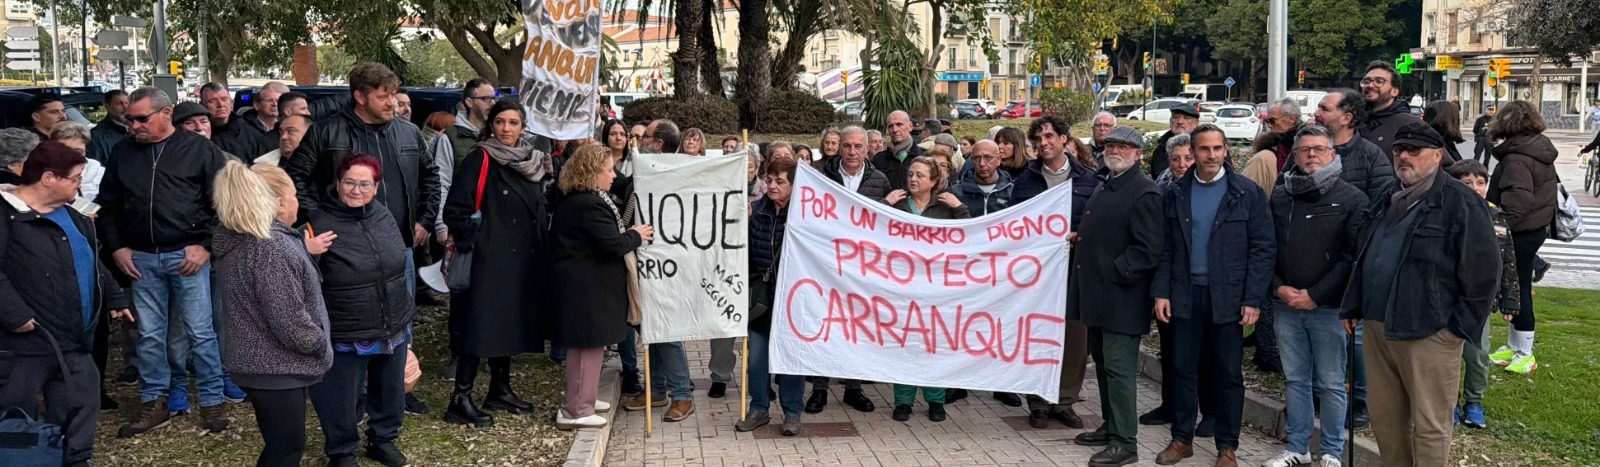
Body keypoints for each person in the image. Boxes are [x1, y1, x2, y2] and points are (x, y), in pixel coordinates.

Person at [1340, 121, 1498, 467]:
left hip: (1429, 329)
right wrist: (1352, 304)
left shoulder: (1460, 202)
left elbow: (1484, 272)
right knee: (1387, 422)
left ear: (1438, 156)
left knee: (1429, 426)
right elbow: (1366, 252)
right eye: (1399, 150)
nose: (1404, 157)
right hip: (1379, 325)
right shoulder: (1387, 195)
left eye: (1415, 151)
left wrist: (1457, 329)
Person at [99, 87, 232, 438]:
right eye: (129, 119)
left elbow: (223, 203)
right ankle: (153, 400)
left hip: (187, 254)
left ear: (166, 114)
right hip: (140, 256)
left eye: (142, 118)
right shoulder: (122, 152)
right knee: (150, 334)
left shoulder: (200, 149)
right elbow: (108, 205)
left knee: (200, 331)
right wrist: (117, 248)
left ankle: (212, 398)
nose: (134, 125)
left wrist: (205, 246)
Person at [0, 141, 131, 467]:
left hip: (74, 339)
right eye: (74, 178)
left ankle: (74, 459)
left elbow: (91, 260)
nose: (80, 185)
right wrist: (15, 315)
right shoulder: (7, 216)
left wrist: (114, 295)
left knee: (81, 404)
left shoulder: (76, 214)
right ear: (48, 178)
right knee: (14, 418)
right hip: (24, 344)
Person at [1151, 124, 1274, 467]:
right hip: (1185, 294)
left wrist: (1253, 299)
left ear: (1225, 151)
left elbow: (1263, 249)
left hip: (1229, 298)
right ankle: (1182, 439)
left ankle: (1227, 446)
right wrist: (1162, 291)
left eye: (1217, 148)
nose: (1210, 155)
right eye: (1203, 149)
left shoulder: (1245, 193)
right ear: (1193, 152)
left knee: (1228, 373)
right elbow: (1167, 248)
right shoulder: (1176, 193)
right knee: (1182, 369)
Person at [210, 161, 332, 467]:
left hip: (260, 363)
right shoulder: (270, 248)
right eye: (293, 195)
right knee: (285, 450)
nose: (297, 203)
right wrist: (317, 341)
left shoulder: (242, 241)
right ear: (278, 201)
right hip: (275, 367)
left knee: (281, 446)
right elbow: (288, 319)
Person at [1261, 125, 1369, 467]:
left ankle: (1332, 452)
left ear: (1332, 155)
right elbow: (1267, 248)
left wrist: (1316, 295)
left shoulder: (1352, 198)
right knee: (1295, 379)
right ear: (1294, 154)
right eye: (1305, 149)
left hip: (1328, 308)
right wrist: (1278, 286)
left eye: (1319, 149)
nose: (1311, 155)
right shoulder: (1281, 196)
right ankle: (1297, 446)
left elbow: (1352, 258)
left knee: (1332, 383)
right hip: (1285, 305)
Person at [441, 100, 553, 427]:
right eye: (501, 122)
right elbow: (456, 209)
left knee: (506, 325)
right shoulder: (481, 157)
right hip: (487, 261)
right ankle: (460, 398)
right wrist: (480, 237)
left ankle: (499, 388)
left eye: (513, 123)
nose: (506, 129)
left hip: (521, 260)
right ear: (491, 124)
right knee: (478, 327)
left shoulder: (532, 161)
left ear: (523, 126)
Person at [287, 62, 442, 295]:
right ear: (359, 96)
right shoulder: (326, 131)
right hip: (345, 249)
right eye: (382, 97)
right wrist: (320, 219)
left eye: (392, 95)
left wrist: (425, 219)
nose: (392, 103)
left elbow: (430, 175)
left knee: (402, 318)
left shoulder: (409, 132)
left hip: (401, 245)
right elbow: (294, 178)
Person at [305, 154, 416, 467]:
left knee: (389, 389)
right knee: (339, 396)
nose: (356, 190)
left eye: (364, 184)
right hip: (346, 325)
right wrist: (306, 252)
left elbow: (397, 264)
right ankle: (341, 452)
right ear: (338, 183)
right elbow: (299, 274)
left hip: (391, 321)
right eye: (349, 182)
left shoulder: (382, 215)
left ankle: (382, 439)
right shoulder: (319, 221)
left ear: (377, 186)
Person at [1068, 126, 1164, 467]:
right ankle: (1111, 427)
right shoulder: (1108, 183)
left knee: (1120, 371)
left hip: (1121, 298)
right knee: (1106, 366)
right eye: (1111, 145)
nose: (1116, 151)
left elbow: (1148, 249)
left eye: (1124, 147)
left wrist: (1116, 270)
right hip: (1097, 296)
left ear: (1138, 154)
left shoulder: (1144, 192)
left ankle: (1126, 442)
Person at [548, 143, 649, 429]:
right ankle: (576, 409)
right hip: (585, 289)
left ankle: (585, 399)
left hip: (584, 286)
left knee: (589, 347)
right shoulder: (588, 203)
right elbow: (611, 244)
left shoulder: (579, 199)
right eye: (608, 170)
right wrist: (635, 234)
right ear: (592, 172)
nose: (613, 175)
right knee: (586, 347)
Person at [1012, 116, 1096, 425]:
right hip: (1037, 273)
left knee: (1075, 338)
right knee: (1036, 333)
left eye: (1049, 136)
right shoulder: (1025, 181)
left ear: (1063, 139)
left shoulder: (1088, 179)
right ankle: (1038, 401)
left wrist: (1080, 235)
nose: (1044, 143)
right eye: (1038, 139)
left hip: (1075, 269)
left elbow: (1095, 221)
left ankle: (1065, 400)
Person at [804, 125, 886, 414]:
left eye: (858, 147)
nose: (852, 152)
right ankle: (819, 390)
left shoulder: (880, 180)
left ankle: (854, 387)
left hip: (862, 270)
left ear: (867, 149)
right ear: (839, 148)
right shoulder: (821, 177)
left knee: (855, 328)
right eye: (847, 146)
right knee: (825, 326)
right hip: (826, 265)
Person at [883, 156, 969, 423]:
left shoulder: (945, 207)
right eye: (910, 174)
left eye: (920, 175)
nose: (913, 179)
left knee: (934, 344)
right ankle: (903, 401)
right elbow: (868, 225)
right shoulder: (897, 204)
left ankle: (935, 399)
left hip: (936, 287)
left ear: (934, 181)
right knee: (905, 343)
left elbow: (972, 234)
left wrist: (960, 208)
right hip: (903, 285)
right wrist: (883, 204)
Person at [621, 119, 696, 422]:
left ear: (658, 143)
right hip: (644, 259)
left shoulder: (672, 174)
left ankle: (682, 395)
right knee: (651, 329)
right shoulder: (643, 173)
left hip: (668, 263)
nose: (638, 141)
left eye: (645, 136)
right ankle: (657, 388)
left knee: (667, 329)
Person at [736, 155, 809, 436]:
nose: (773, 185)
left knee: (791, 357)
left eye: (780, 181)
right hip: (761, 299)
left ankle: (792, 413)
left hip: (793, 298)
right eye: (769, 180)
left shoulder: (805, 213)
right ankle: (759, 409)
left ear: (794, 185)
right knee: (756, 358)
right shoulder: (757, 211)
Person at [1484, 100, 1558, 375]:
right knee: (1519, 286)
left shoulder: (1516, 158)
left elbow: (1518, 202)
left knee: (1519, 289)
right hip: (1534, 228)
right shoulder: (1537, 149)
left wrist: (1500, 229)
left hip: (1520, 232)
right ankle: (1516, 345)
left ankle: (1524, 351)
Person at [1445, 159, 1519, 430]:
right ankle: (1449, 402)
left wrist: (1510, 299)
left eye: (1480, 182)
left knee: (1477, 354)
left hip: (1480, 302)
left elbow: (1507, 261)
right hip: (1448, 299)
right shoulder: (1446, 213)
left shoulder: (1496, 216)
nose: (1475, 188)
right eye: (1467, 183)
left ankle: (1474, 401)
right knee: (1448, 354)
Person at [592, 120, 643, 396]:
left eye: (624, 134)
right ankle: (629, 369)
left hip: (636, 243)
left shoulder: (638, 165)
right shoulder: (596, 166)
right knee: (623, 313)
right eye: (614, 133)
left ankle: (651, 372)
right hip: (615, 244)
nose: (619, 137)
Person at [1314, 89, 1399, 203]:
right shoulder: (1304, 149)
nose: (1316, 113)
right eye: (1319, 107)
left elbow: (1381, 204)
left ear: (1346, 118)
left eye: (1325, 109)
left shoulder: (1371, 155)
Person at [1359, 61, 1424, 155]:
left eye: (1379, 81)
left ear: (1394, 91)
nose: (1370, 85)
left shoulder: (1410, 124)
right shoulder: (1353, 121)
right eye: (1366, 81)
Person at [950, 140, 1016, 216]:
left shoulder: (1012, 192)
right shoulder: (956, 192)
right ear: (972, 160)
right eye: (977, 158)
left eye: (988, 157)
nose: (982, 163)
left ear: (998, 160)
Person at [47, 122, 107, 202]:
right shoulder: (43, 172)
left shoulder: (96, 170)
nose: (73, 157)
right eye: (66, 151)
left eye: (78, 152)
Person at [447, 79, 498, 163]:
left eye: (493, 98)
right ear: (469, 102)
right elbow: (443, 174)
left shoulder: (500, 132)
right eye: (486, 98)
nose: (492, 103)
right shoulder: (450, 136)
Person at [234, 82, 288, 159]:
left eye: (278, 101)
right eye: (269, 100)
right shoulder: (242, 129)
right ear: (256, 105)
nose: (274, 104)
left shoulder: (285, 127)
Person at [872, 111, 923, 190]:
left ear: (910, 126)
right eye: (890, 126)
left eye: (899, 125)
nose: (895, 130)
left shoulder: (924, 156)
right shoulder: (879, 159)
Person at [1150, 102, 1199, 178]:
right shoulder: (1160, 149)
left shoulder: (1203, 147)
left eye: (1186, 118)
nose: (1180, 122)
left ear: (1196, 123)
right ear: (1170, 121)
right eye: (1176, 117)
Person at [89, 89, 130, 163]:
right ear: (107, 106)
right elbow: (95, 166)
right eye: (119, 103)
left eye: (127, 103)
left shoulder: (137, 129)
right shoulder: (97, 135)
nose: (125, 107)